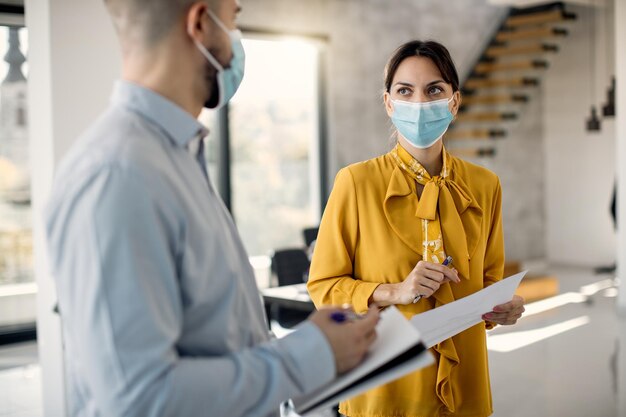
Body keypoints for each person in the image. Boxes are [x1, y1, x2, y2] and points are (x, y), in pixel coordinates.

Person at [44, 1, 380, 416]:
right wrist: (308, 356)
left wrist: (311, 346)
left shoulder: (176, 159)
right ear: (201, 23)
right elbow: (138, 400)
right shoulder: (117, 175)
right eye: (234, 18)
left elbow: (214, 343)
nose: (237, 40)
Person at [307, 40, 525, 417]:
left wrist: (503, 308)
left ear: (454, 102)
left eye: (434, 90)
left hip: (464, 386)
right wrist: (395, 291)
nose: (420, 103)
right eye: (405, 91)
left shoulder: (486, 185)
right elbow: (323, 288)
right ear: (389, 103)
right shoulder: (356, 183)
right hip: (384, 385)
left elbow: (488, 282)